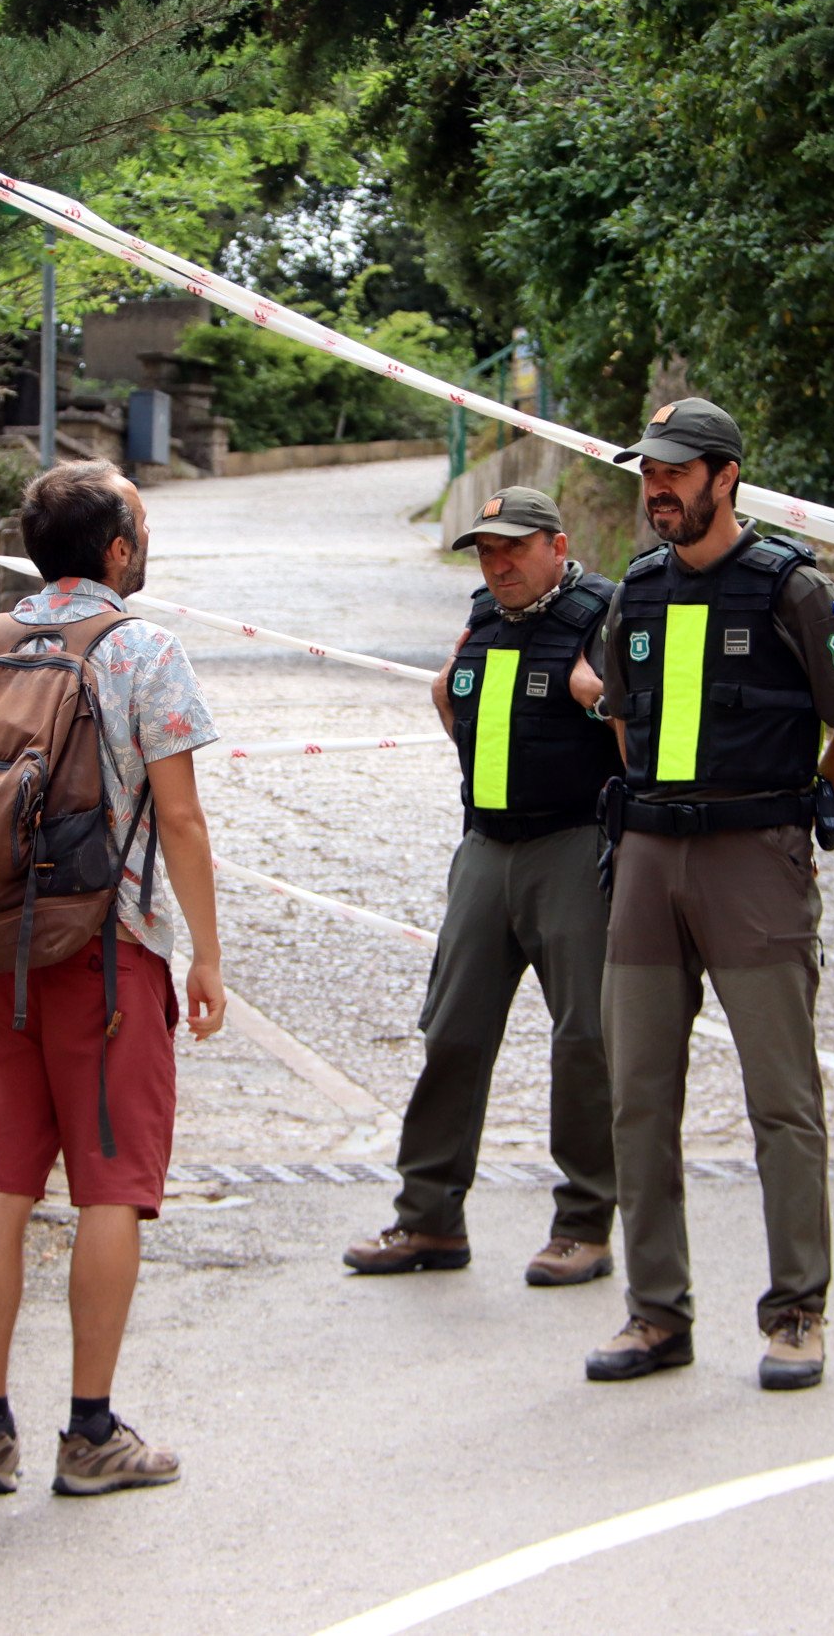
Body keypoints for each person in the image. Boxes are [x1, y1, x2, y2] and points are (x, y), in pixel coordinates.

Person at [0, 459, 229, 1495]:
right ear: (115, 550)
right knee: (110, 1186)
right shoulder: (144, 649)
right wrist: (207, 954)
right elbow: (178, 817)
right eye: (138, 524)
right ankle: (90, 1431)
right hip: (106, 954)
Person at [576, 398, 834, 1392]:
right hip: (642, 861)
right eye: (648, 472)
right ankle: (654, 1312)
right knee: (634, 1098)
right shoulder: (635, 590)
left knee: (780, 1101)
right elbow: (624, 724)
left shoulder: (793, 590)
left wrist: (792, 818)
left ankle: (796, 1310)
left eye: (675, 470)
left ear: (725, 476)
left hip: (755, 864)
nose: (657, 487)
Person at [344, 486, 624, 1287]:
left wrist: (596, 694)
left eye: (513, 547)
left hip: (574, 844)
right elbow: (459, 709)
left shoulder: (607, 615)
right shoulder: (484, 617)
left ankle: (582, 1225)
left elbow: (645, 730)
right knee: (452, 1031)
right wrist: (443, 698)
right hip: (485, 847)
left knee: (585, 1044)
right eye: (486, 550)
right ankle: (428, 1218)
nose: (497, 562)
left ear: (557, 545)